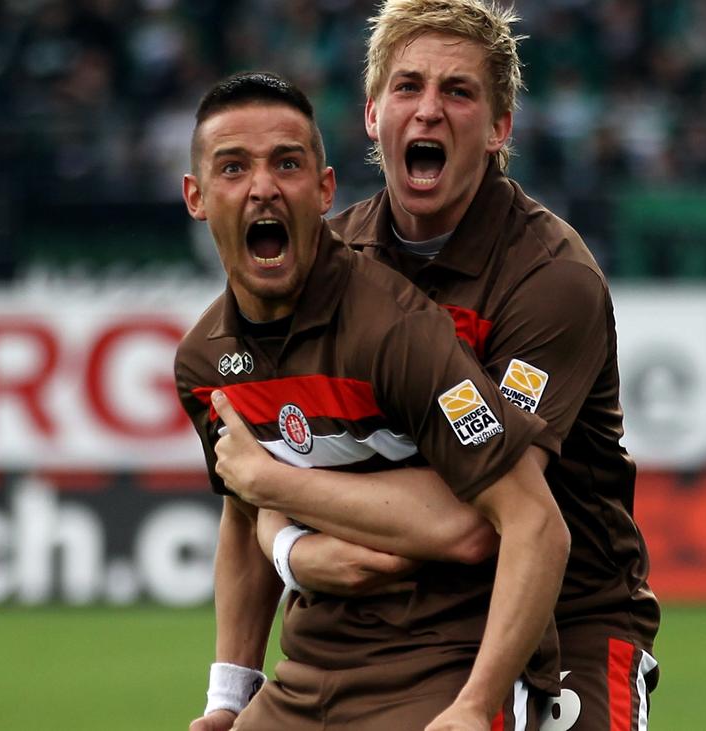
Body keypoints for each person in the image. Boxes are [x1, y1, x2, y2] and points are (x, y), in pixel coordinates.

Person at [214, 2, 662, 729]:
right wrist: (231, 690)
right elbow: (244, 482)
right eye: (407, 87)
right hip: (369, 626)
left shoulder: (550, 280)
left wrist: (281, 505)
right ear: (372, 114)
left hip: (564, 618)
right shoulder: (321, 264)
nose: (428, 110)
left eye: (457, 91)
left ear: (499, 128)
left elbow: (482, 512)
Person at [173, 71, 569, 731]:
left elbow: (529, 521)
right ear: (197, 196)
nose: (263, 187)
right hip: (308, 671)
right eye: (234, 167)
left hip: (438, 666)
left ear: (325, 190)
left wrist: (474, 705)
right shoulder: (204, 363)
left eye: (287, 164)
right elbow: (242, 517)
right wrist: (228, 698)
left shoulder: (398, 331)